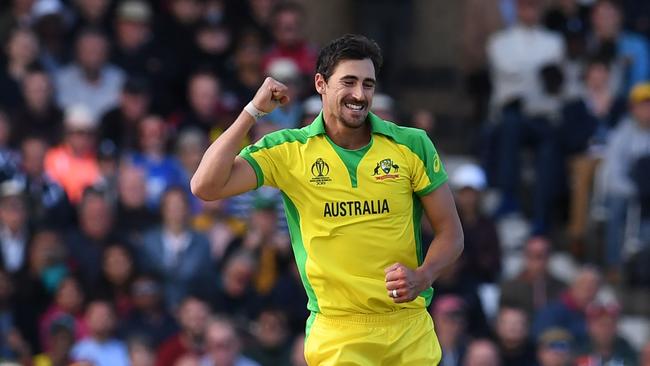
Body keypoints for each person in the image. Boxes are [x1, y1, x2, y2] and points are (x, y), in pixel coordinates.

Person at [191, 34, 464, 365]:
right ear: (320, 83)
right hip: (337, 334)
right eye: (348, 82)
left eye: (368, 84)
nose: (359, 95)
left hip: (409, 329)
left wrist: (423, 275)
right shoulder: (290, 150)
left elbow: (451, 233)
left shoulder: (412, 144)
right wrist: (252, 111)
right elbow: (205, 186)